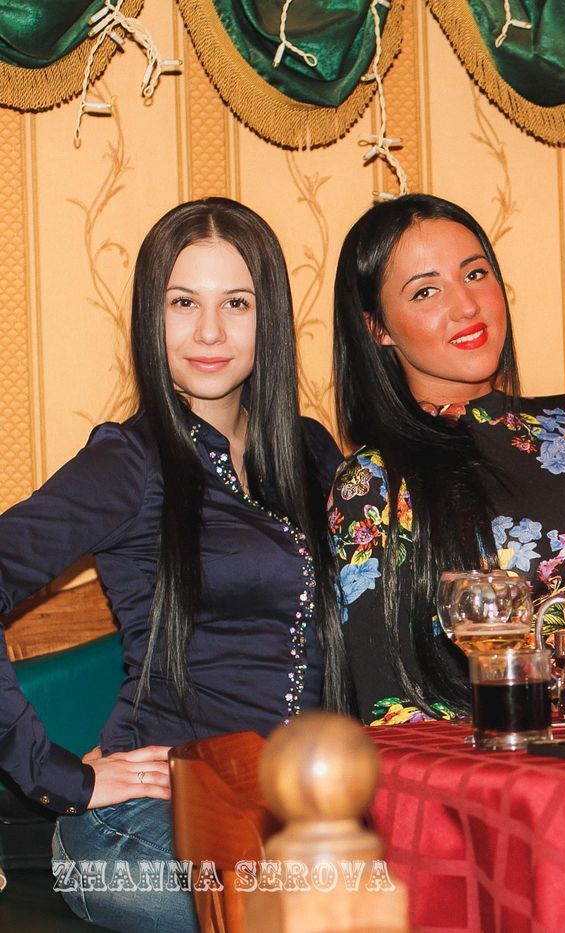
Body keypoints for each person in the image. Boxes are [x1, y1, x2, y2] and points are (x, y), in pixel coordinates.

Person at [0, 198, 345, 931]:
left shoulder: (311, 453)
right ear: (150, 319)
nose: (209, 331)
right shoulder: (130, 462)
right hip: (139, 827)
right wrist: (58, 775)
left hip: (294, 813)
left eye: (236, 303)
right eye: (183, 302)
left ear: (270, 318)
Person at [329, 194, 565, 726]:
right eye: (426, 291)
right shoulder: (371, 483)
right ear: (378, 328)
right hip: (490, 759)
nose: (467, 306)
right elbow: (390, 704)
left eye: (475, 274)